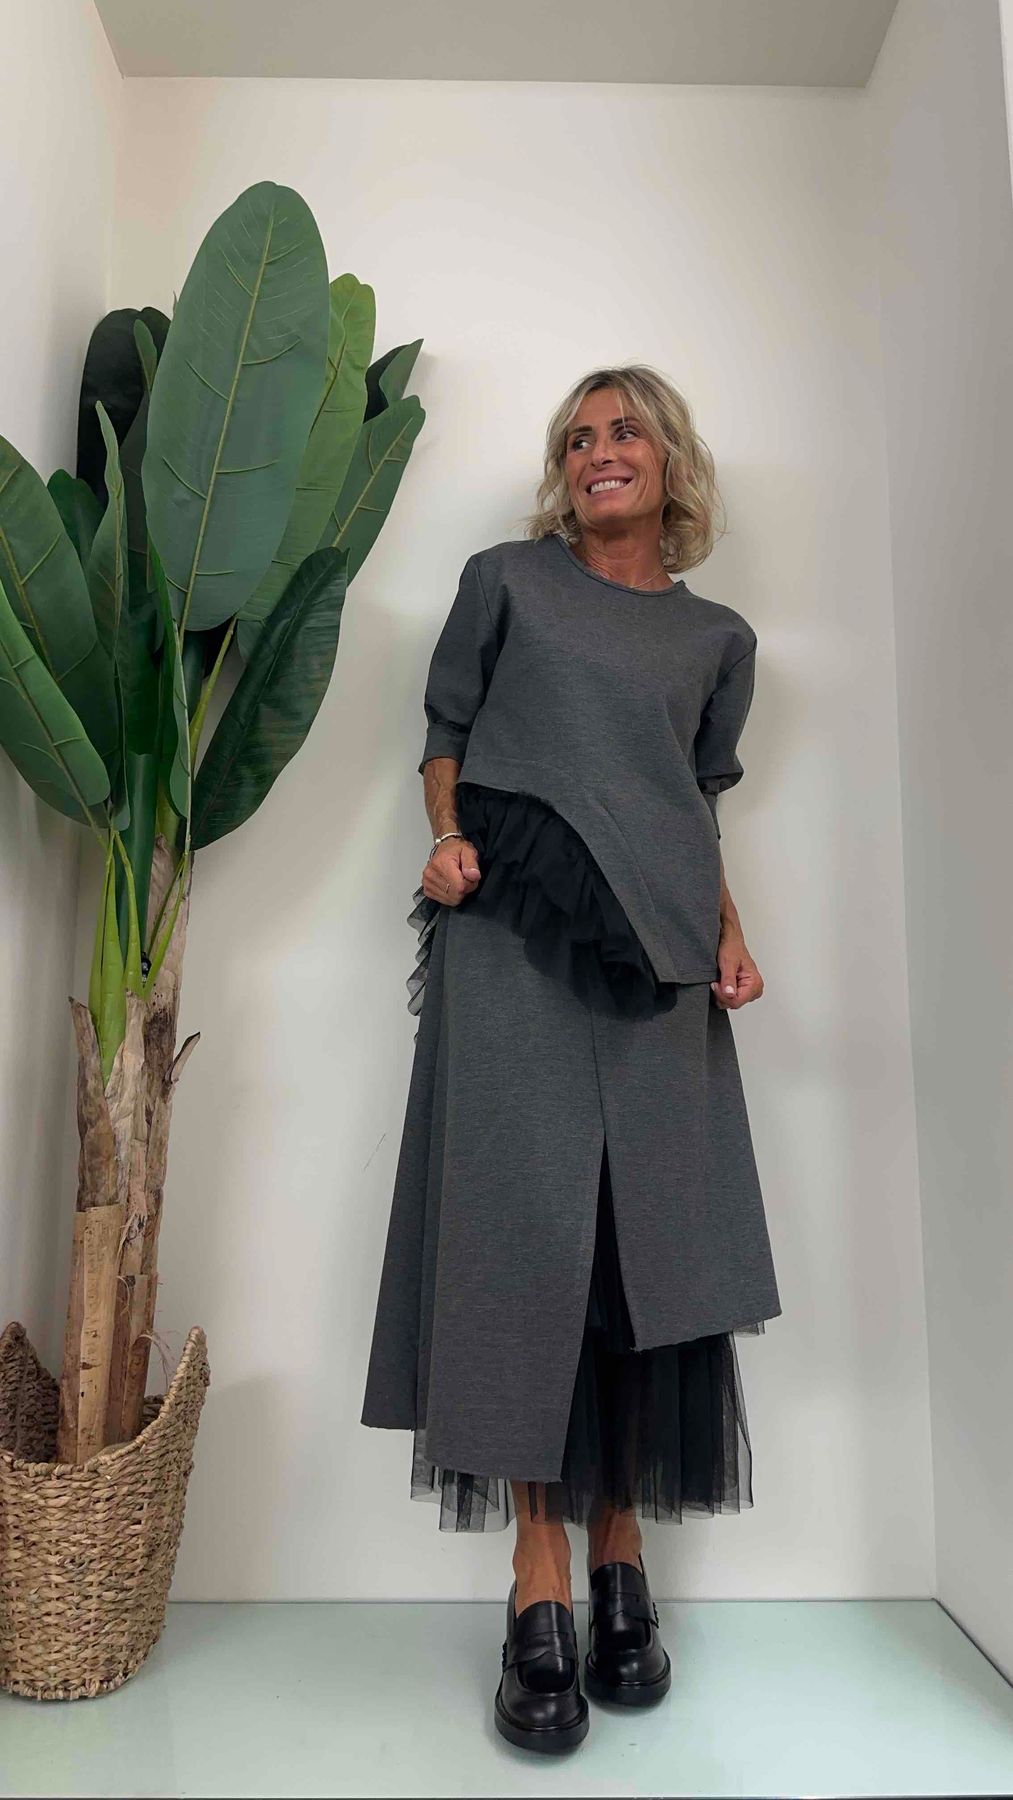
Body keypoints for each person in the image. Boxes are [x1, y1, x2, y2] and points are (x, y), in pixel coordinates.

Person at [361, 363, 781, 1754]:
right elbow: (446, 736)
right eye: (580, 436)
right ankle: (535, 1575)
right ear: (564, 470)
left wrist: (729, 931)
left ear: (671, 462)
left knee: (645, 1248)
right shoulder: (506, 582)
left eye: (628, 430)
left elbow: (691, 805)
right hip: (513, 934)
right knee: (520, 1240)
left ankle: (621, 1558)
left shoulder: (717, 638)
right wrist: (445, 834)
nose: (602, 450)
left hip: (661, 955)